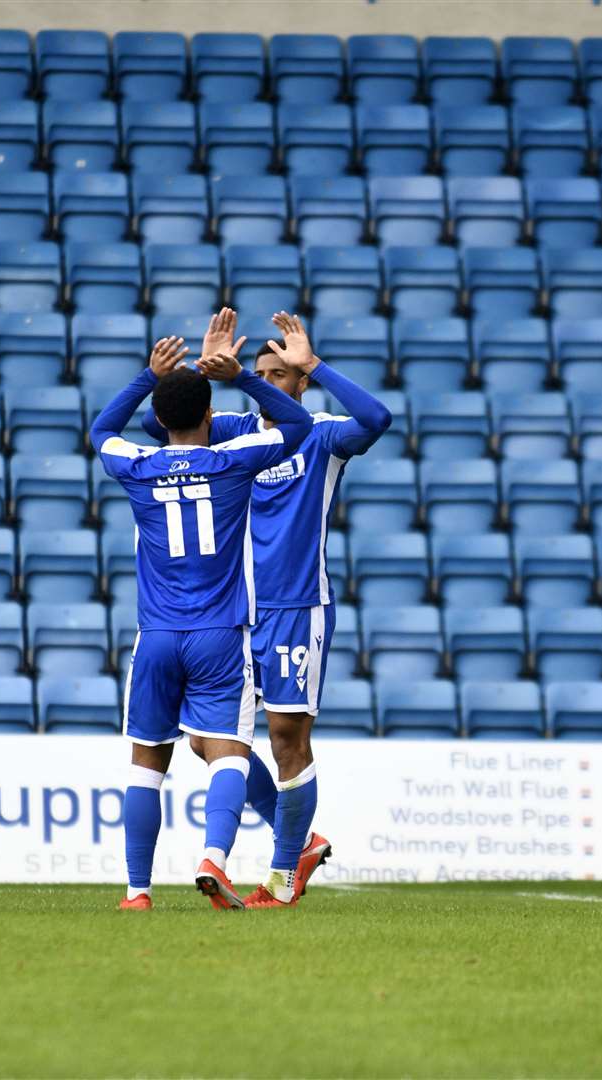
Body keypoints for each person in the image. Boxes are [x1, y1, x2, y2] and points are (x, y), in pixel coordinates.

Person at [145, 309, 392, 908]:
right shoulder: (231, 430)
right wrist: (181, 378)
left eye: (279, 375)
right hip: (232, 612)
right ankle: (303, 843)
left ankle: (282, 879)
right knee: (208, 740)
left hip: (295, 606)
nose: (268, 382)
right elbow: (166, 430)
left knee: (286, 740)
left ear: (300, 383)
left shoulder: (323, 434)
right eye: (260, 373)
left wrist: (314, 363)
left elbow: (378, 419)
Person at [91, 333, 314, 912]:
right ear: (212, 417)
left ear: (159, 419)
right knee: (231, 752)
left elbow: (100, 432)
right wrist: (242, 376)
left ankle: (137, 892)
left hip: (157, 635)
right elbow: (298, 429)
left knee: (147, 764)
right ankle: (214, 856)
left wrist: (148, 376)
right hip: (220, 634)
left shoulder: (137, 465)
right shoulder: (233, 461)